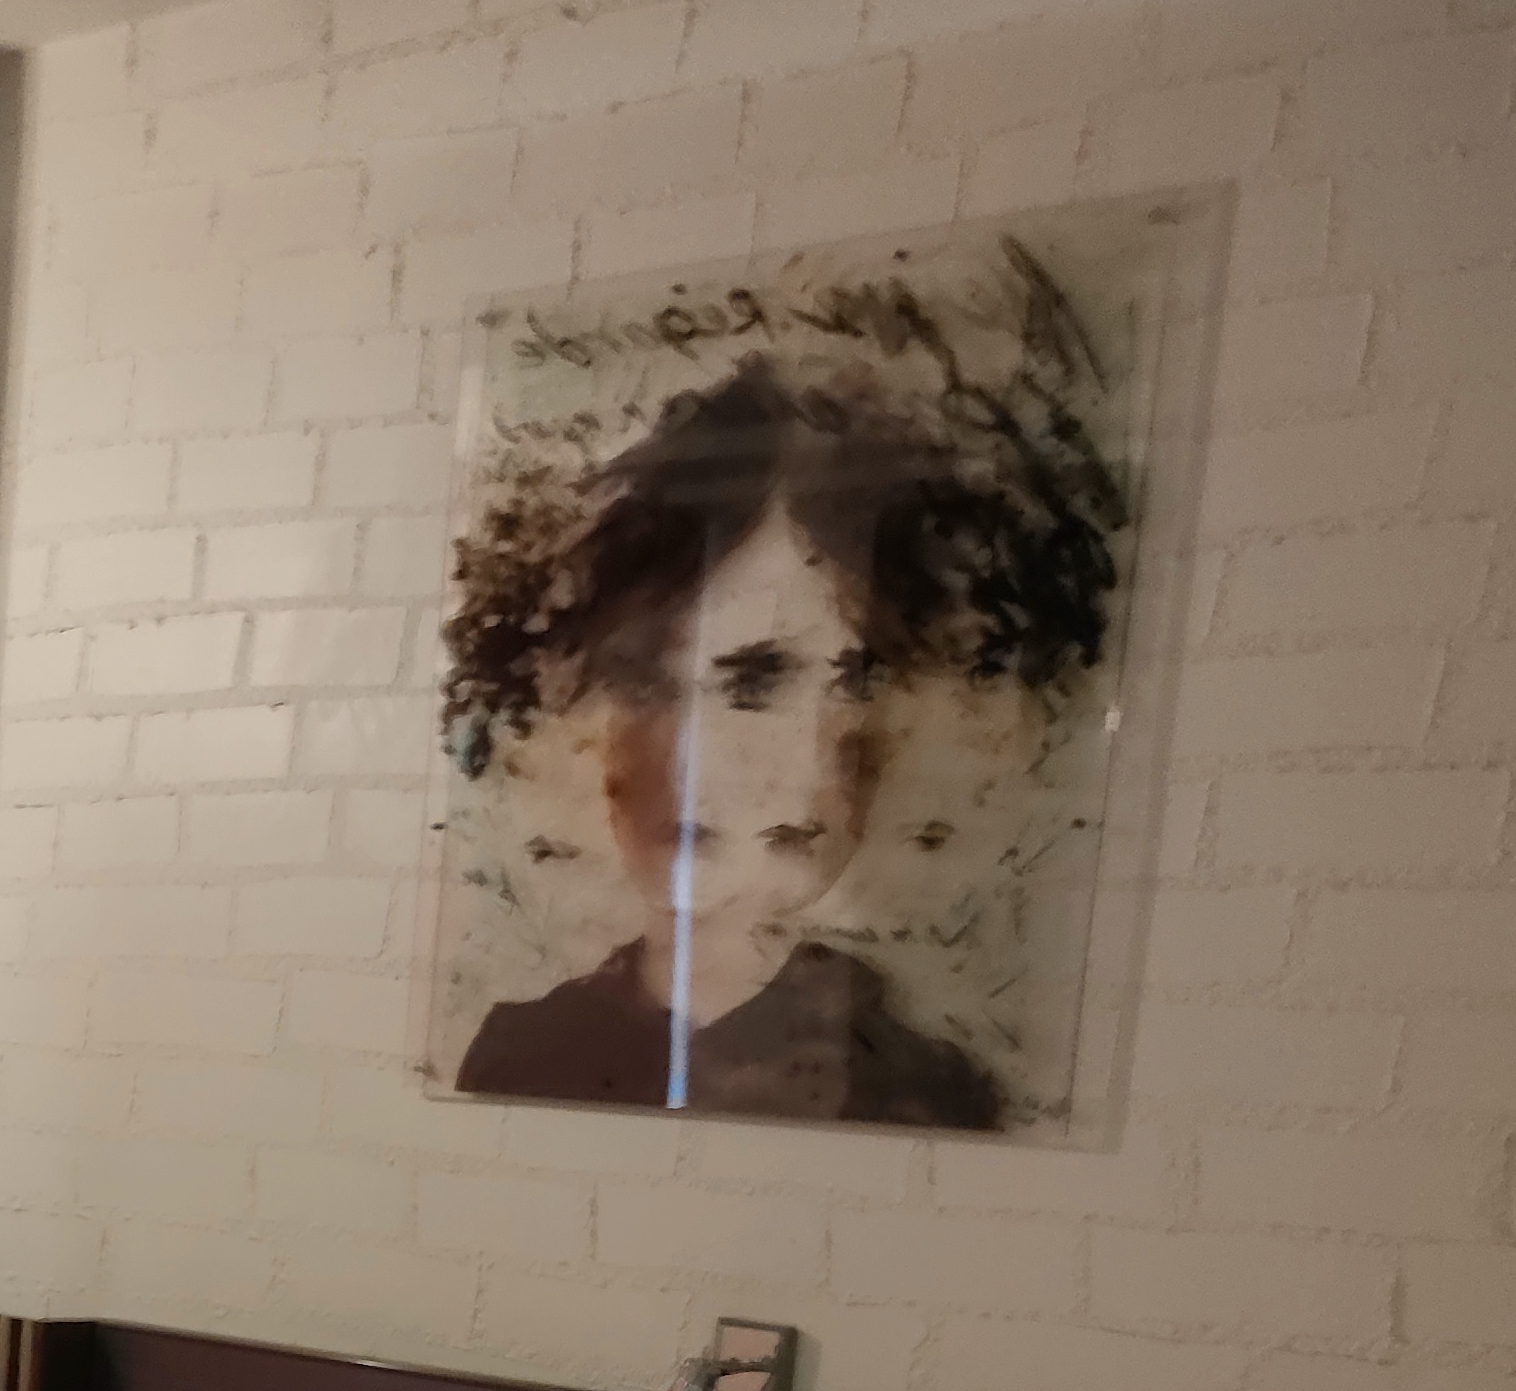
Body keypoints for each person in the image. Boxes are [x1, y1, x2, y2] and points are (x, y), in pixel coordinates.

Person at [438, 267, 1125, 1129]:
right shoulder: (517, 1055)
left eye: (755, 682)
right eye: (643, 680)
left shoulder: (918, 1097)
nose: (683, 751)